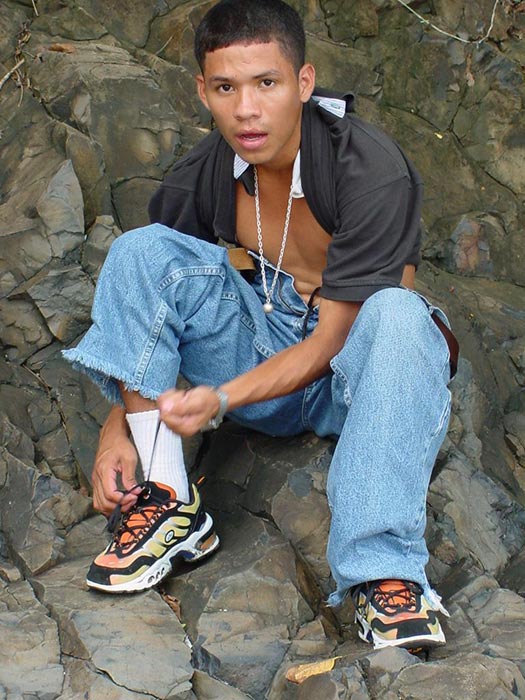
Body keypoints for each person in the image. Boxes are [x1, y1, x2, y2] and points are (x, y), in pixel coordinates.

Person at [63, 0, 458, 651]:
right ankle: (170, 500)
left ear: (303, 82)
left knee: (398, 313)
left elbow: (332, 341)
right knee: (140, 250)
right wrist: (120, 431)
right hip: (262, 342)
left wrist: (220, 398)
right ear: (203, 92)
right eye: (226, 88)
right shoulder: (205, 173)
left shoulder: (367, 168)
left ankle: (384, 573)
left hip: (357, 380)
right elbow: (151, 306)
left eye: (266, 83)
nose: (246, 109)